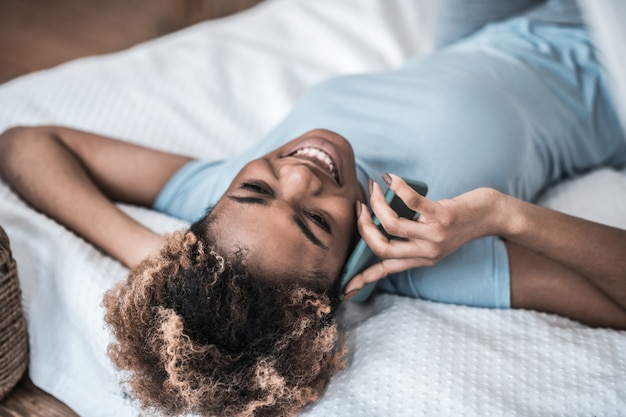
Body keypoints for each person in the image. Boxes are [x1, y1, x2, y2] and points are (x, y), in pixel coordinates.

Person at [1, 0, 626, 416]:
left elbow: (26, 143)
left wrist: (146, 252)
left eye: (255, 190)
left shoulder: (221, 210)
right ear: (347, 274)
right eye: (317, 221)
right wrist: (500, 215)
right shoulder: (417, 255)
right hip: (607, 68)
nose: (298, 175)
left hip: (496, 27)